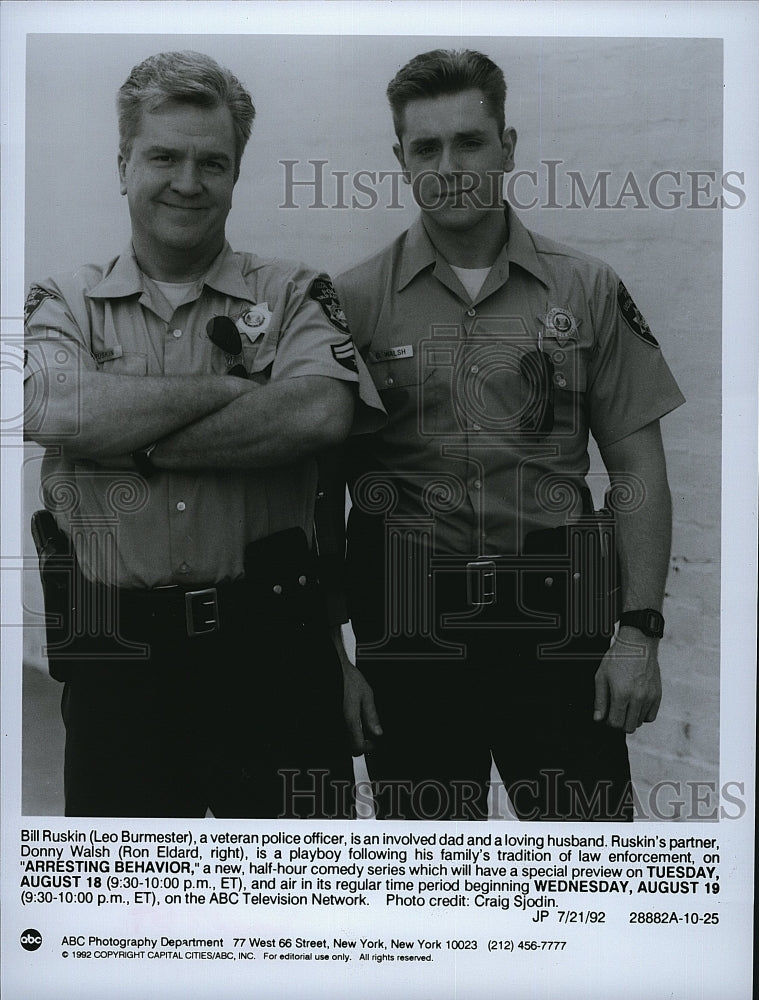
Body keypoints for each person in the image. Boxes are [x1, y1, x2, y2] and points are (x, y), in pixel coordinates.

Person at [23, 50, 383, 819]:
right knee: (130, 918)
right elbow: (50, 407)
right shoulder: (63, 300)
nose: (188, 182)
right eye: (163, 156)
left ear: (234, 173)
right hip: (119, 666)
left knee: (300, 912)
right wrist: (230, 391)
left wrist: (131, 436)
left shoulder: (294, 293)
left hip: (275, 657)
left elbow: (318, 411)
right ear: (122, 164)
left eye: (211, 162)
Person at [333, 49, 685, 821]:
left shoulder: (584, 289)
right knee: (430, 880)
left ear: (508, 146)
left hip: (558, 621)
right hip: (409, 627)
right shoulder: (352, 304)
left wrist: (638, 633)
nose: (448, 164)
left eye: (469, 141)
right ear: (400, 159)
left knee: (589, 870)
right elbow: (313, 491)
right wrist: (332, 659)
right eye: (425, 147)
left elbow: (636, 467)